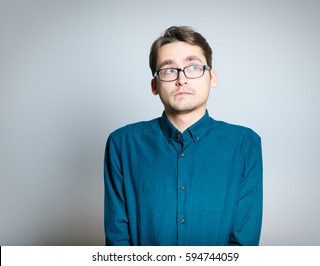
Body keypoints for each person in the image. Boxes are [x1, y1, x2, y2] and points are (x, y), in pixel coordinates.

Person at [104, 26, 263, 246]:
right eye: (169, 70)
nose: (182, 79)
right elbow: (117, 240)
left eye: (194, 67)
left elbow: (244, 244)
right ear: (154, 85)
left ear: (212, 77)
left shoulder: (245, 144)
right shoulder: (122, 144)